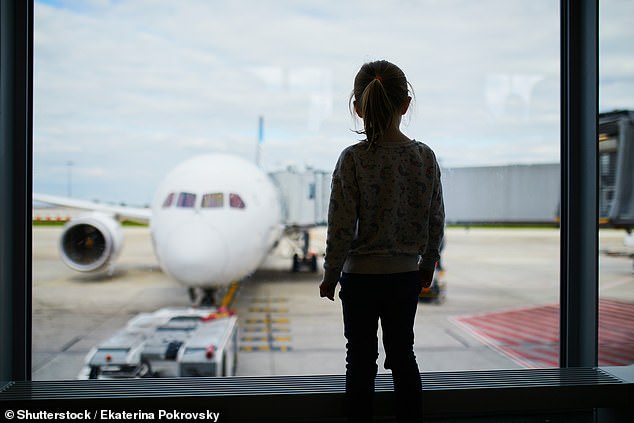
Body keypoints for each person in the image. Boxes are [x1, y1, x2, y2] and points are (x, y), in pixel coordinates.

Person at [319, 60, 445, 423]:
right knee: (403, 355)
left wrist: (330, 273)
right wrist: (427, 263)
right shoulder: (424, 157)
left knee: (360, 360)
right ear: (405, 104)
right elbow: (435, 219)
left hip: (360, 279)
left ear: (358, 109)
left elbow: (340, 225)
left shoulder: (353, 160)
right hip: (405, 277)